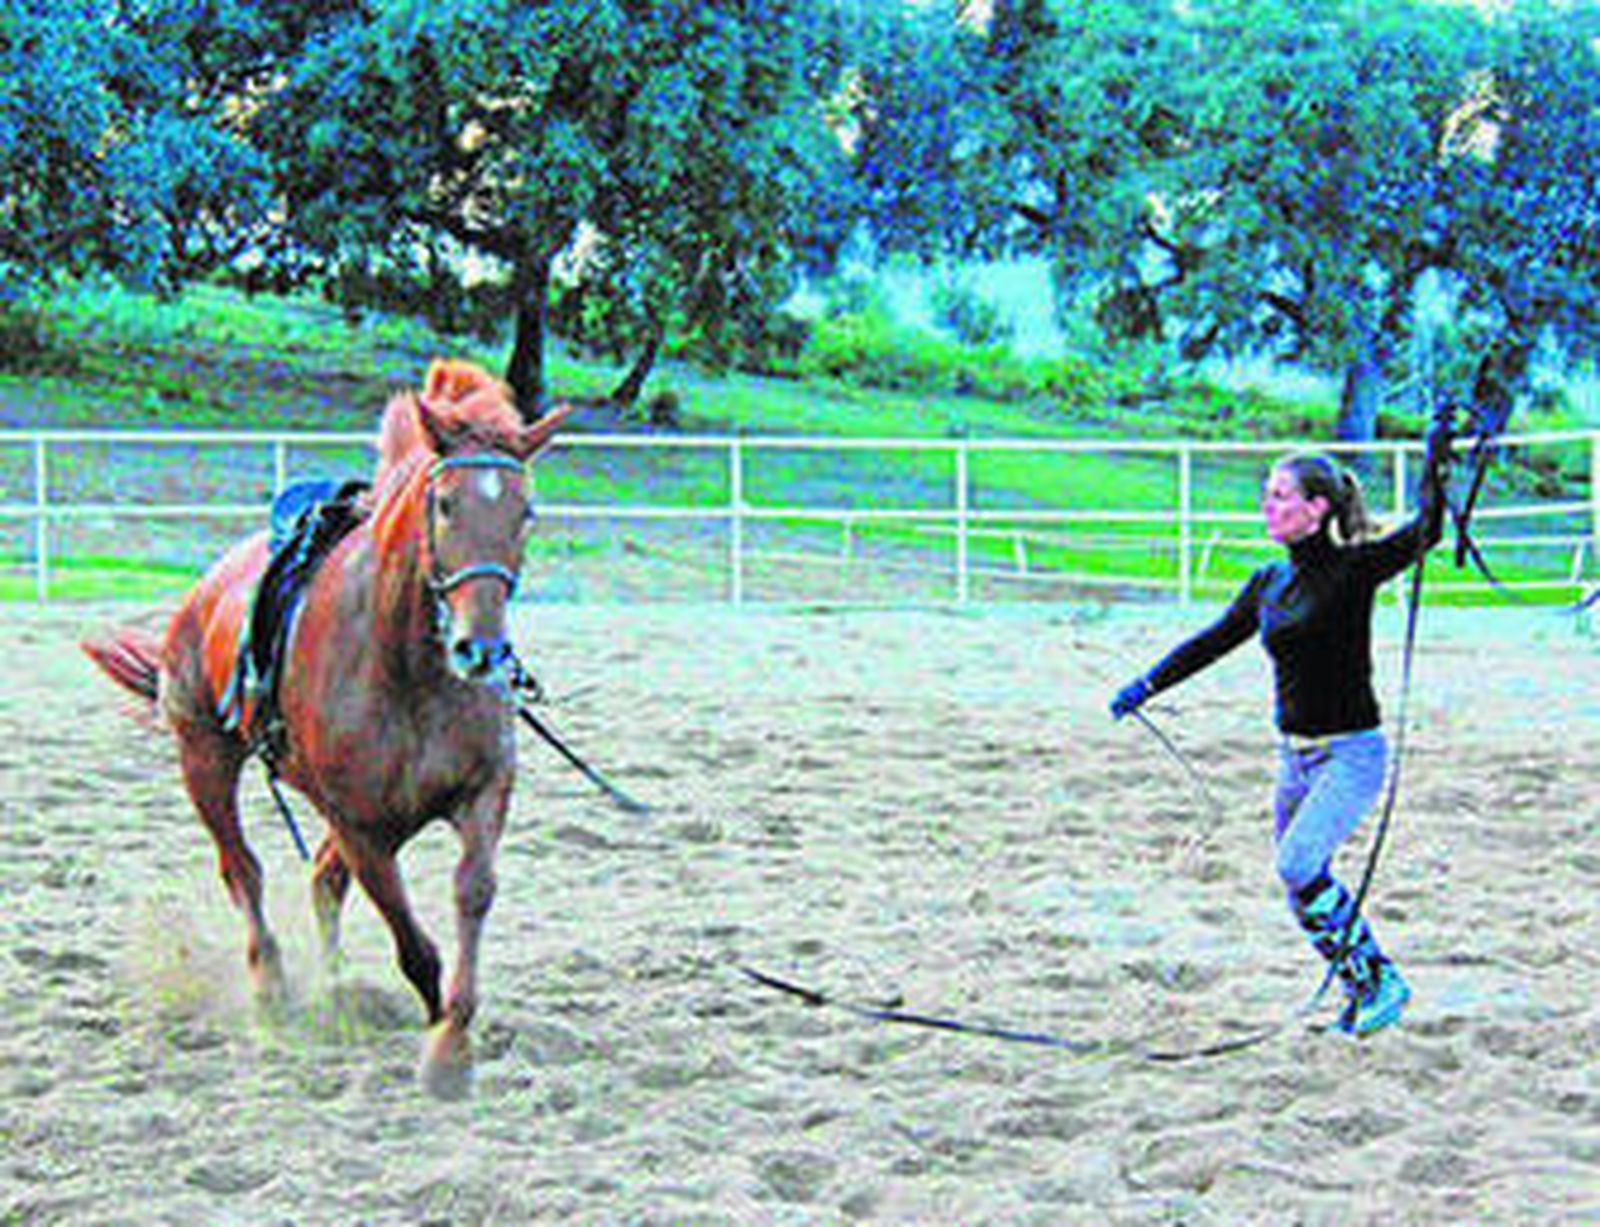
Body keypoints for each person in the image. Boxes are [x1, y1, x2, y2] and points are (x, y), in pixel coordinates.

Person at [1110, 416, 1454, 1038]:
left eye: (1280, 496)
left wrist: (1436, 460)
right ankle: (1360, 990)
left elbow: (1427, 531)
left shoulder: (1354, 571)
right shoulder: (1270, 582)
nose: (1267, 506)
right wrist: (1147, 685)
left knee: (1299, 864)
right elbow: (1214, 640)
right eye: (1267, 495)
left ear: (1317, 508)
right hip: (1294, 758)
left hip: (1351, 754)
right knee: (1299, 886)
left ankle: (1382, 982)